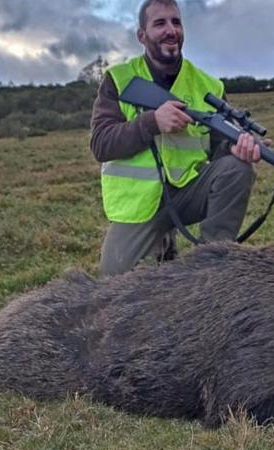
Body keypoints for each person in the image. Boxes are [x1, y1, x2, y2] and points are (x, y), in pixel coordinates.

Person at [90, 0, 262, 276]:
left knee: (236, 167)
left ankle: (211, 264)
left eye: (176, 22)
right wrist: (152, 122)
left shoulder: (209, 85)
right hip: (138, 206)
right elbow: (101, 144)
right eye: (159, 23)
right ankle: (162, 245)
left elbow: (220, 147)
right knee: (112, 285)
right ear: (142, 36)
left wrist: (237, 148)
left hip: (187, 193)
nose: (171, 30)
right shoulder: (119, 79)